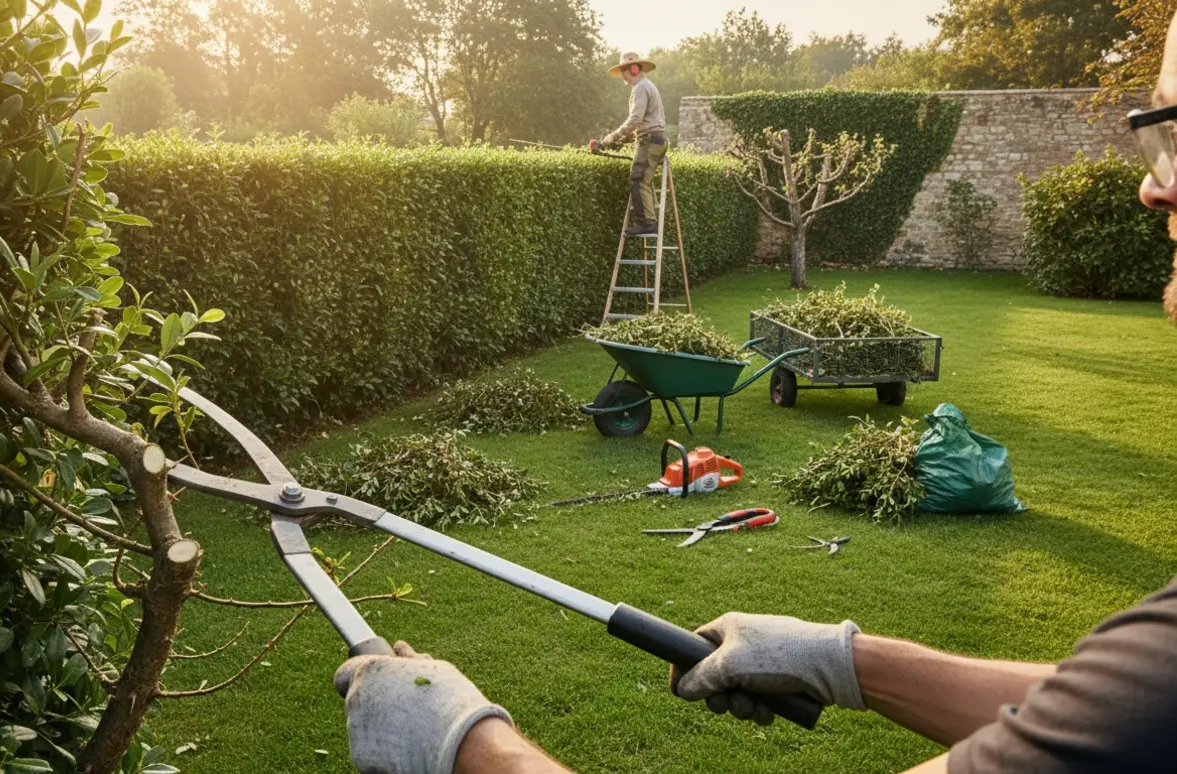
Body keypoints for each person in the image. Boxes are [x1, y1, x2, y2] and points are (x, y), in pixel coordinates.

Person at [334, 12, 1177, 772]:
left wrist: (468, 743)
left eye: (1168, 128)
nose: (1153, 181)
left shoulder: (649, 100)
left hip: (647, 159)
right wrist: (848, 660)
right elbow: (1109, 704)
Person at [592, 52, 668, 238]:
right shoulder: (649, 86)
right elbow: (644, 122)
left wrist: (612, 136)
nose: (622, 77)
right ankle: (651, 220)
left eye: (623, 72)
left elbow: (635, 119)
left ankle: (647, 223)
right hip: (657, 139)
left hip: (649, 141)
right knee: (645, 180)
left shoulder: (640, 87)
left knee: (637, 179)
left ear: (633, 69)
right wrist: (624, 139)